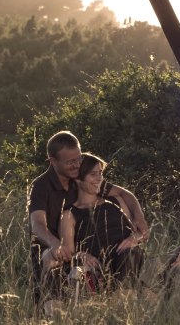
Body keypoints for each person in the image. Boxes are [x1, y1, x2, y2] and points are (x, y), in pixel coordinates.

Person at [28, 131, 148, 307]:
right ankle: (53, 311)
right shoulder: (41, 186)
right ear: (53, 161)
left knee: (124, 256)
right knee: (50, 258)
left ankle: (119, 301)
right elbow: (37, 223)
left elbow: (123, 193)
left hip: (81, 247)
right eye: (70, 162)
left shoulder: (81, 177)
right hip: (54, 244)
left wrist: (139, 218)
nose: (77, 164)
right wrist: (55, 244)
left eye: (78, 158)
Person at [60, 153, 145, 293]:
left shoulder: (115, 201)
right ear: (78, 179)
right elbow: (69, 253)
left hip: (128, 258)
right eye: (93, 174)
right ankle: (119, 294)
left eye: (100, 173)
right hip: (99, 264)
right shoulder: (69, 214)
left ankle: (119, 295)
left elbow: (140, 233)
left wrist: (135, 237)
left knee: (131, 253)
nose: (99, 178)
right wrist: (81, 255)